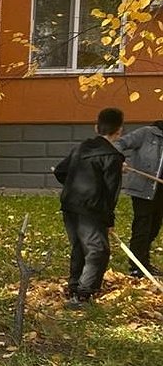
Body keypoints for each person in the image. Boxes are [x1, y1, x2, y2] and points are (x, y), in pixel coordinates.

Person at [54, 107, 125, 307]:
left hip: (69, 206)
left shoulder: (81, 148)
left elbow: (60, 171)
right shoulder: (112, 156)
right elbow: (111, 193)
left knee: (79, 246)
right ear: (119, 131)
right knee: (98, 250)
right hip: (91, 210)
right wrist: (108, 221)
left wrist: (75, 185)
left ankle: (75, 286)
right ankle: (83, 295)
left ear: (96, 127)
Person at [115, 120, 163, 277]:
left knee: (154, 227)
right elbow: (119, 144)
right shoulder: (146, 133)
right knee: (142, 226)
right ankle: (137, 266)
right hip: (144, 188)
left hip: (161, 190)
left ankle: (144, 260)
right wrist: (118, 160)